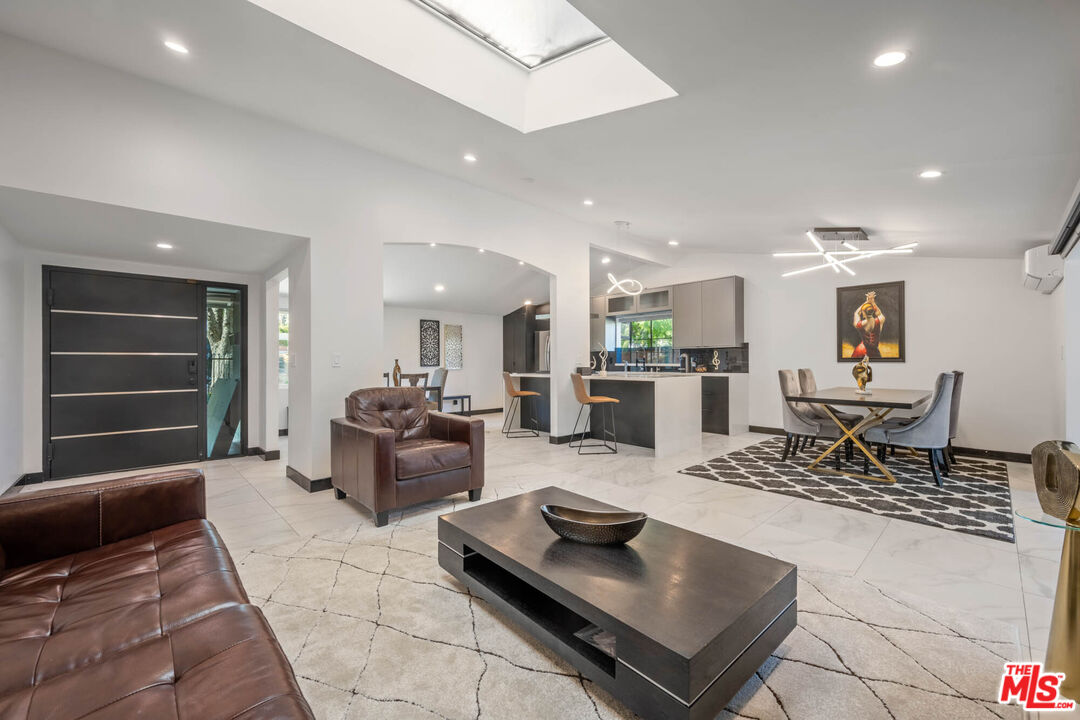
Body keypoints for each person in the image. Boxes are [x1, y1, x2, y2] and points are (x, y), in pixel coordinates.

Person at [851, 291, 885, 358]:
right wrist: (872, 301)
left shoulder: (860, 324)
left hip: (860, 351)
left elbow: (856, 313)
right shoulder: (880, 320)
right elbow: (879, 313)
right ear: (873, 311)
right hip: (874, 352)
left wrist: (867, 301)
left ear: (863, 314)